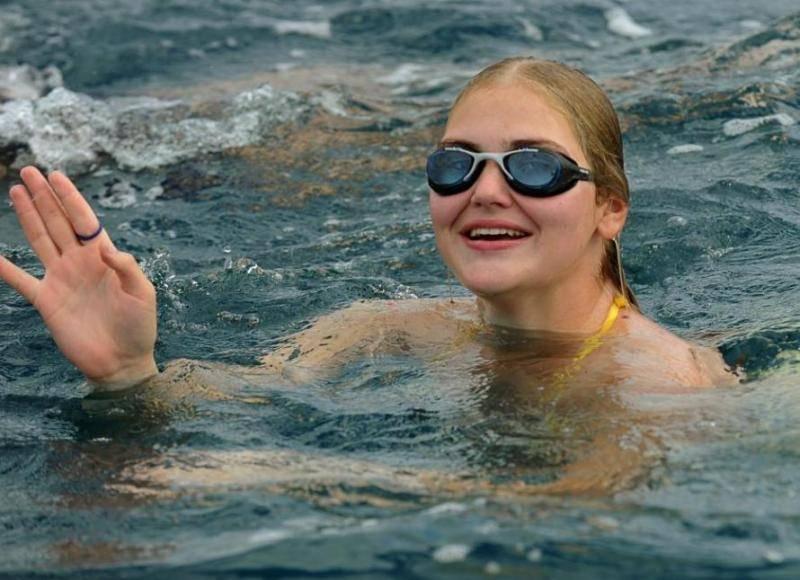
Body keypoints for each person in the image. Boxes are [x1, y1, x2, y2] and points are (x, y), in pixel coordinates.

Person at [0, 57, 737, 496]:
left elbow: (555, 517)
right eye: (456, 163)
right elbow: (230, 400)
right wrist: (127, 374)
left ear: (610, 208)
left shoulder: (655, 386)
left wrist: (262, 476)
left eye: (534, 166)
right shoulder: (382, 327)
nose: (485, 191)